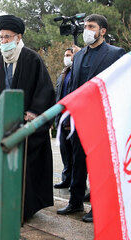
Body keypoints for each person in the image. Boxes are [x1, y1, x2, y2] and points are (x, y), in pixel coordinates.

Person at [56, 14, 126, 223]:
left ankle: (99, 206)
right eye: (85, 26)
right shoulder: (78, 56)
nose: (87, 30)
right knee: (78, 161)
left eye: (91, 26)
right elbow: (74, 87)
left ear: (102, 31)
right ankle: (75, 201)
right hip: (80, 118)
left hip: (103, 118)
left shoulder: (115, 54)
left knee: (100, 164)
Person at [0, 15, 55, 220]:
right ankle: (3, 204)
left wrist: (33, 113)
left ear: (18, 37)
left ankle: (25, 209)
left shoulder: (31, 58)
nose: (4, 42)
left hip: (26, 127)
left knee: (26, 170)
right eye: (1, 38)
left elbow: (45, 90)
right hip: (4, 125)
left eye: (7, 37)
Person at [54, 46, 79, 189]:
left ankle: (75, 182)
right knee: (65, 152)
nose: (66, 57)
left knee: (75, 154)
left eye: (69, 55)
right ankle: (66, 179)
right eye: (65, 55)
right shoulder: (62, 75)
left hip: (73, 118)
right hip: (61, 118)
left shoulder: (77, 73)